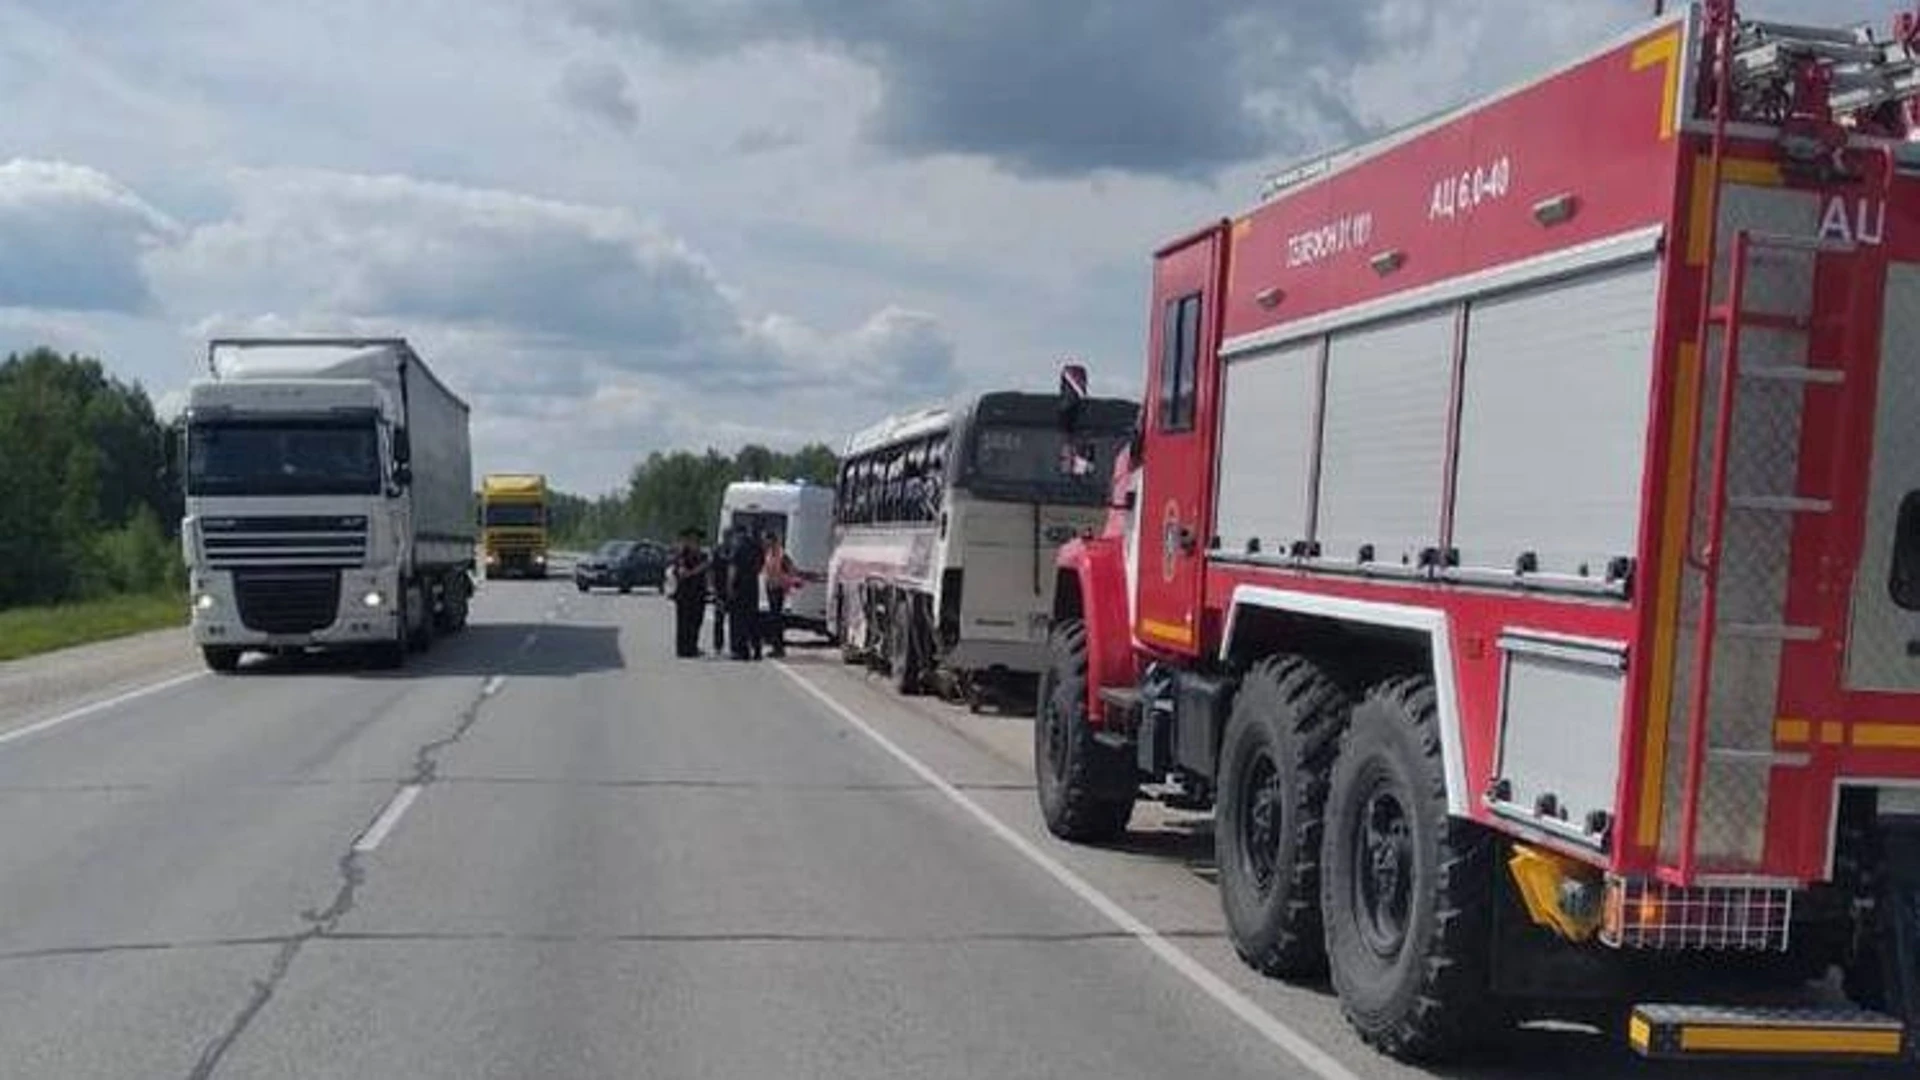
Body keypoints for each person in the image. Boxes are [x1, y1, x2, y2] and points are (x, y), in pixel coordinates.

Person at [669, 527, 710, 658]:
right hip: (685, 593)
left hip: (699, 592)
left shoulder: (702, 555)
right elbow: (682, 573)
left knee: (697, 621)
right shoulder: (682, 555)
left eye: (697, 541)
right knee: (684, 622)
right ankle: (683, 649)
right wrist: (697, 570)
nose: (696, 543)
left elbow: (708, 571)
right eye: (692, 540)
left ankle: (692, 646)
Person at [727, 526, 764, 660]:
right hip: (752, 586)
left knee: (738, 619)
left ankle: (741, 650)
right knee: (753, 618)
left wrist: (730, 587)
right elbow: (760, 565)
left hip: (740, 586)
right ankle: (757, 648)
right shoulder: (756, 546)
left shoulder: (737, 547)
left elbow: (733, 568)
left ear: (738, 534)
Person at [760, 531, 796, 659]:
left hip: (778, 589)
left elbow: (791, 569)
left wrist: (784, 581)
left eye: (766, 540)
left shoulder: (781, 554)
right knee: (773, 618)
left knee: (776, 619)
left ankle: (778, 647)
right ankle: (776, 646)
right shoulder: (769, 553)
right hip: (770, 588)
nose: (764, 542)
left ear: (773, 540)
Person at [708, 527, 732, 657]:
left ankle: (734, 645)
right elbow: (711, 569)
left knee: (734, 619)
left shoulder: (735, 550)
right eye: (726, 536)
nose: (728, 538)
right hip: (720, 588)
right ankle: (718, 645)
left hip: (733, 589)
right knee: (719, 619)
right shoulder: (717, 550)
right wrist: (712, 587)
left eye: (730, 536)